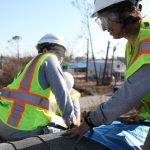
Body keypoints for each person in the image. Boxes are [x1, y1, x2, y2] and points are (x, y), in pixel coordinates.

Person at [64, 0, 150, 146]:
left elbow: (130, 92)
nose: (104, 29)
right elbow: (142, 87)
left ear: (123, 12)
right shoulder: (131, 45)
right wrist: (143, 115)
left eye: (104, 21)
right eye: (100, 23)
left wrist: (91, 121)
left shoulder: (147, 39)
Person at [0, 33, 77, 141]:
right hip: (21, 128)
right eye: (59, 52)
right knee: (62, 131)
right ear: (45, 51)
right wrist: (72, 123)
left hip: (3, 123)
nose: (61, 57)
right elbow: (61, 92)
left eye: (63, 54)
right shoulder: (50, 58)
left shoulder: (28, 67)